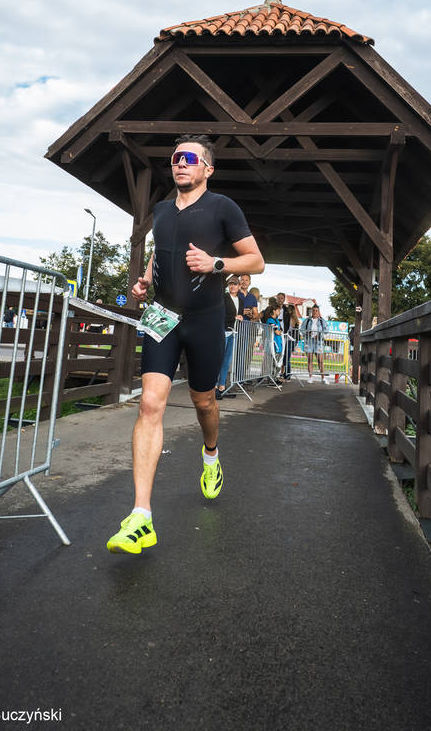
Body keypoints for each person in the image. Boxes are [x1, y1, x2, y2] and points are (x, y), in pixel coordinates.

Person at [106, 135, 264, 555]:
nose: (180, 163)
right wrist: (146, 278)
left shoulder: (222, 208)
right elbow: (163, 252)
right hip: (163, 316)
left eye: (190, 158)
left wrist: (216, 263)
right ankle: (141, 516)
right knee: (150, 404)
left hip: (205, 319)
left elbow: (256, 260)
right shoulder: (160, 210)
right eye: (176, 158)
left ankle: (211, 454)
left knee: (203, 401)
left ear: (207, 169)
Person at [216, 275, 243, 399]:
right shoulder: (224, 297)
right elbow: (220, 314)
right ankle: (214, 386)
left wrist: (241, 317)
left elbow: (240, 315)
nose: (232, 286)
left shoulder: (241, 300)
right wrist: (234, 318)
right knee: (219, 359)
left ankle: (222, 386)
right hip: (223, 331)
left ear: (239, 286)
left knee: (227, 360)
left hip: (234, 333)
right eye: (230, 284)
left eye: (235, 284)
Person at [301, 304, 329, 384]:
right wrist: (307, 333)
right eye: (313, 310)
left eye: (316, 311)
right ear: (311, 311)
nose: (315, 312)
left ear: (318, 312)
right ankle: (310, 377)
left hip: (318, 343)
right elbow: (301, 329)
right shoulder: (307, 320)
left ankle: (323, 378)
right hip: (309, 342)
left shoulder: (321, 320)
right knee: (310, 360)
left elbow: (326, 330)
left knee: (320, 360)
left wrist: (319, 335)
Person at [283, 303, 300, 379]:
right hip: (287, 339)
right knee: (285, 357)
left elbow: (294, 332)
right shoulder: (288, 318)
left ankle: (288, 374)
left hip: (291, 340)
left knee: (287, 357)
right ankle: (285, 373)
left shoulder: (294, 320)